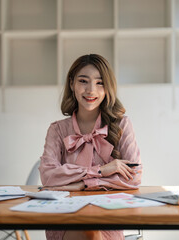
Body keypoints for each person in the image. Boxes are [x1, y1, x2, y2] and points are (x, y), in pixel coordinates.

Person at [39, 54, 142, 240]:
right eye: (83, 81)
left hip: (107, 217)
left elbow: (134, 177)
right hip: (65, 217)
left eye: (100, 83)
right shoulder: (57, 130)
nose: (91, 90)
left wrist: (83, 183)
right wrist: (102, 171)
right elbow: (48, 176)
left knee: (92, 231)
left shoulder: (122, 125)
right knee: (86, 230)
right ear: (72, 84)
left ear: (108, 87)